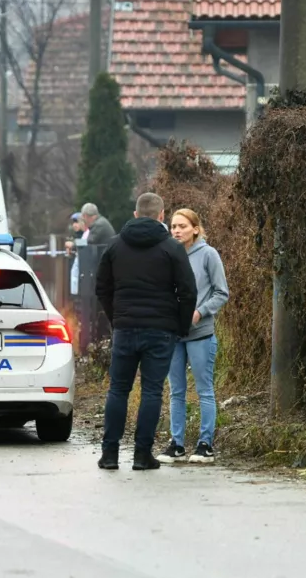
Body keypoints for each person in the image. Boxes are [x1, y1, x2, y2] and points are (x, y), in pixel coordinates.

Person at [95, 192, 197, 471]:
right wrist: (180, 324)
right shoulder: (172, 248)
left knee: (118, 389)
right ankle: (142, 455)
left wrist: (117, 317)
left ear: (136, 214)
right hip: (161, 330)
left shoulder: (115, 245)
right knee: (152, 391)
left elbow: (101, 287)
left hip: (126, 327)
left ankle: (110, 455)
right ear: (162, 215)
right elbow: (188, 291)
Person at [158, 208, 230, 465]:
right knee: (176, 390)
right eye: (173, 226)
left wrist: (200, 312)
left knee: (204, 389)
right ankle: (176, 444)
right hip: (173, 334)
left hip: (200, 334)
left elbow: (222, 292)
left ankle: (205, 445)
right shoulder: (167, 255)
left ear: (196, 229)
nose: (176, 230)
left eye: (182, 226)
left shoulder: (208, 254)